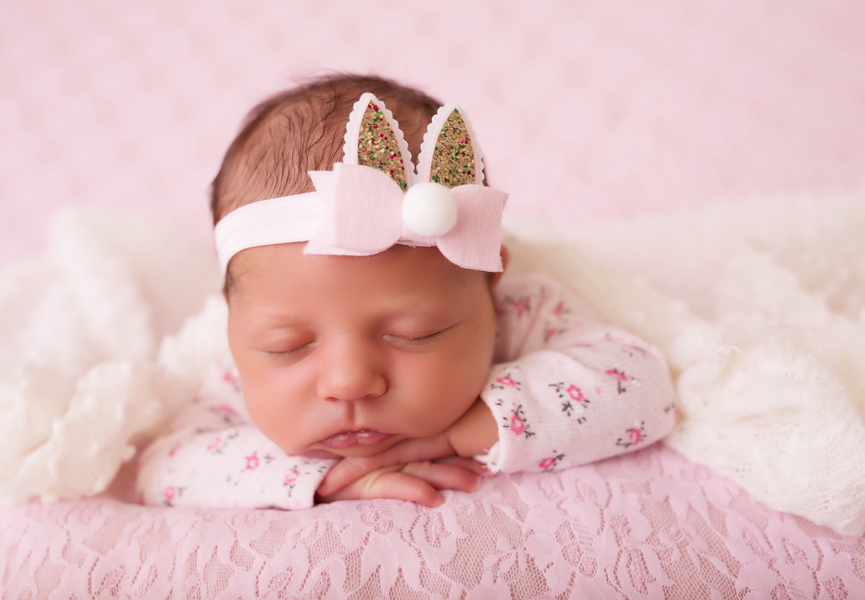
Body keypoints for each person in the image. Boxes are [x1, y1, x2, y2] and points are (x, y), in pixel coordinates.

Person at [136, 74, 678, 510]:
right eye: (288, 346)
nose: (349, 382)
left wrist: (462, 432)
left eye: (413, 335)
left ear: (490, 288)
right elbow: (165, 468)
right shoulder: (231, 373)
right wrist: (323, 480)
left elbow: (641, 386)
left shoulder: (521, 312)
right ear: (234, 318)